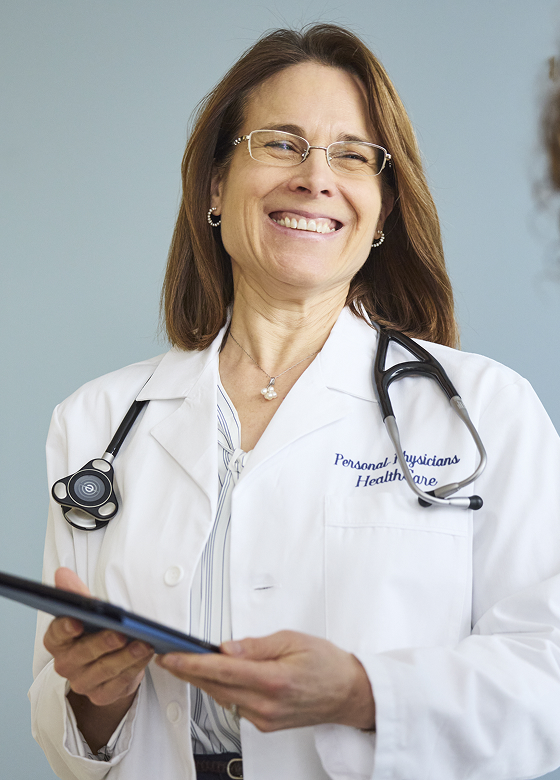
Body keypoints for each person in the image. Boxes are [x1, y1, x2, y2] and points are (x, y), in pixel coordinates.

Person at [30, 23, 560, 780]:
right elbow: (61, 735)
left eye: (351, 155)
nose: (315, 178)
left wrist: (363, 693)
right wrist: (93, 698)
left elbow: (550, 682)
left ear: (380, 210)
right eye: (280, 144)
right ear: (215, 186)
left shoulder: (486, 410)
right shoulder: (94, 421)